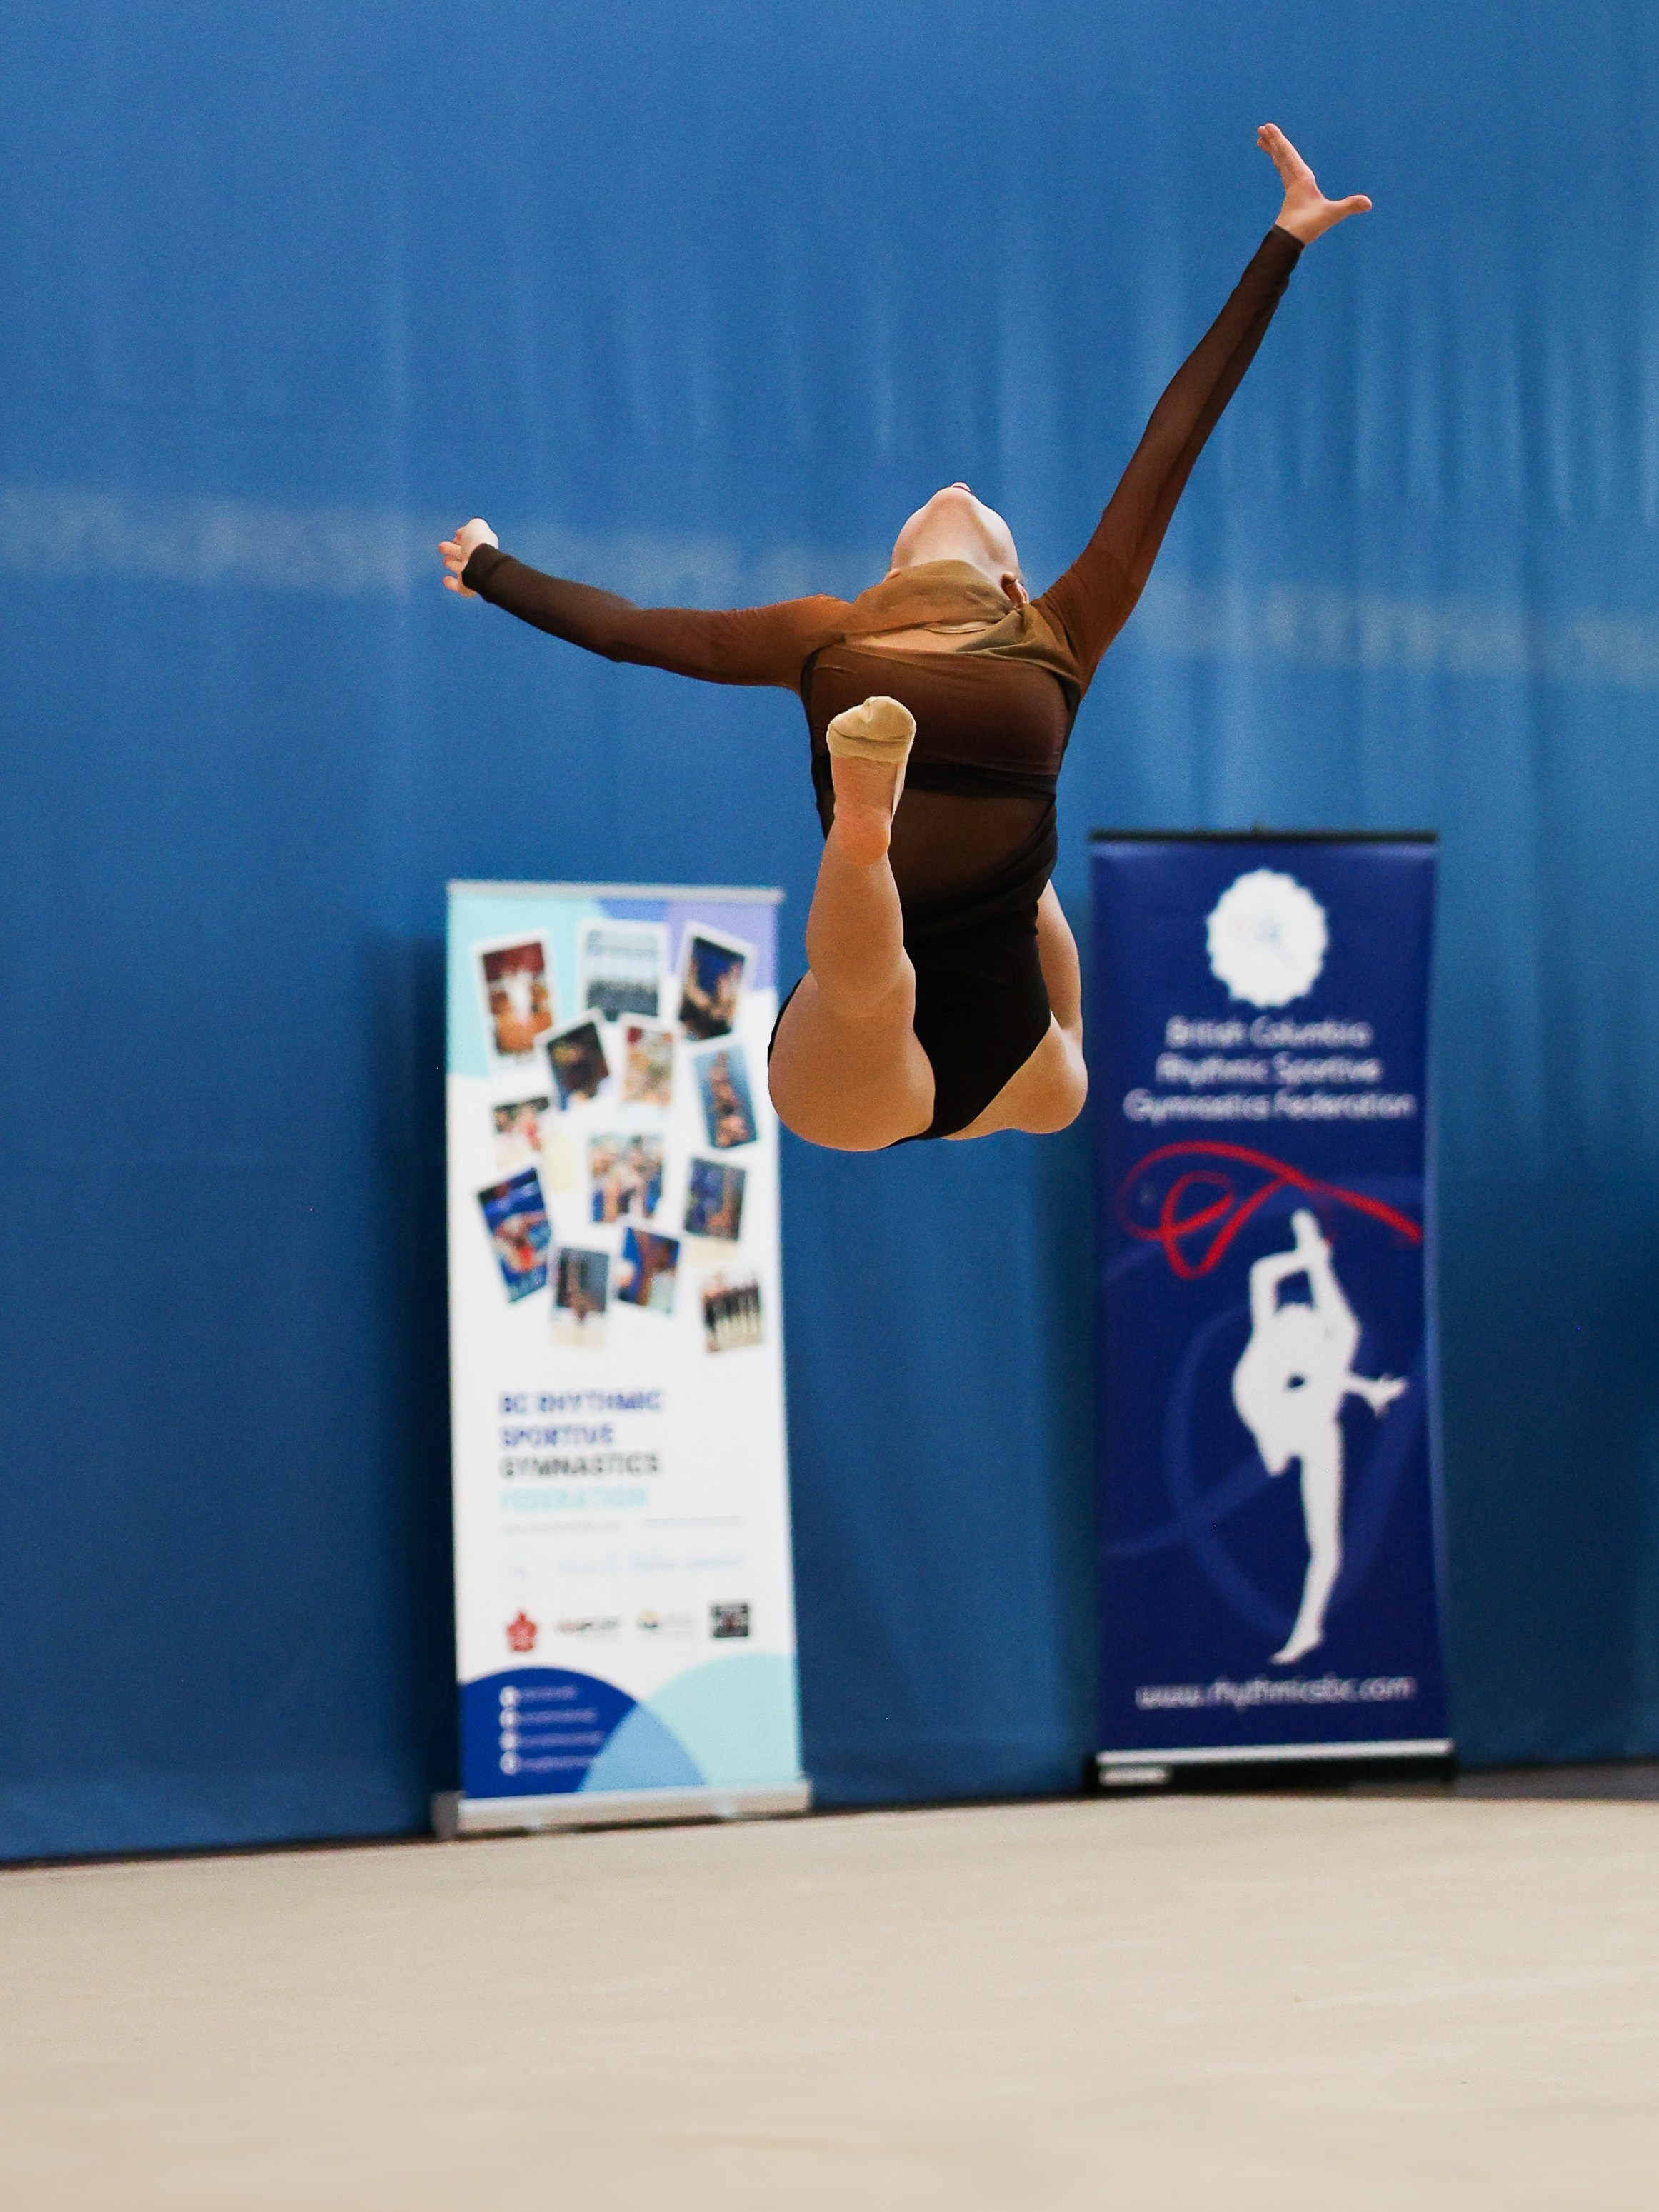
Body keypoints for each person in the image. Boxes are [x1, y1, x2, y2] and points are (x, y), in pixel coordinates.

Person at [442, 126, 1369, 1151]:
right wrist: (491, 569)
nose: (959, 483)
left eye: (976, 500)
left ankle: (866, 829)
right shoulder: (877, 634)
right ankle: (868, 836)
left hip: (986, 1051)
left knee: (954, 989)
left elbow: (1176, 436)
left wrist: (1284, 240)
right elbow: (632, 631)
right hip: (918, 1046)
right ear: (891, 575)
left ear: (1011, 582)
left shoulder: (993, 632)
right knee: (880, 991)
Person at [1231, 1210, 1408, 1666]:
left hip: (1306, 1426)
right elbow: (1262, 1274)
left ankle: (1308, 1628)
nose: (1300, 1308)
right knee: (1340, 1344)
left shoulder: (1311, 1357)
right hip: (1276, 1416)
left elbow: (1335, 1341)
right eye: (1296, 1310)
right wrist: (1306, 1255)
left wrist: (1316, 1261)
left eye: (1306, 1313)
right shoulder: (1270, 1333)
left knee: (1326, 1544)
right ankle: (1275, 1448)